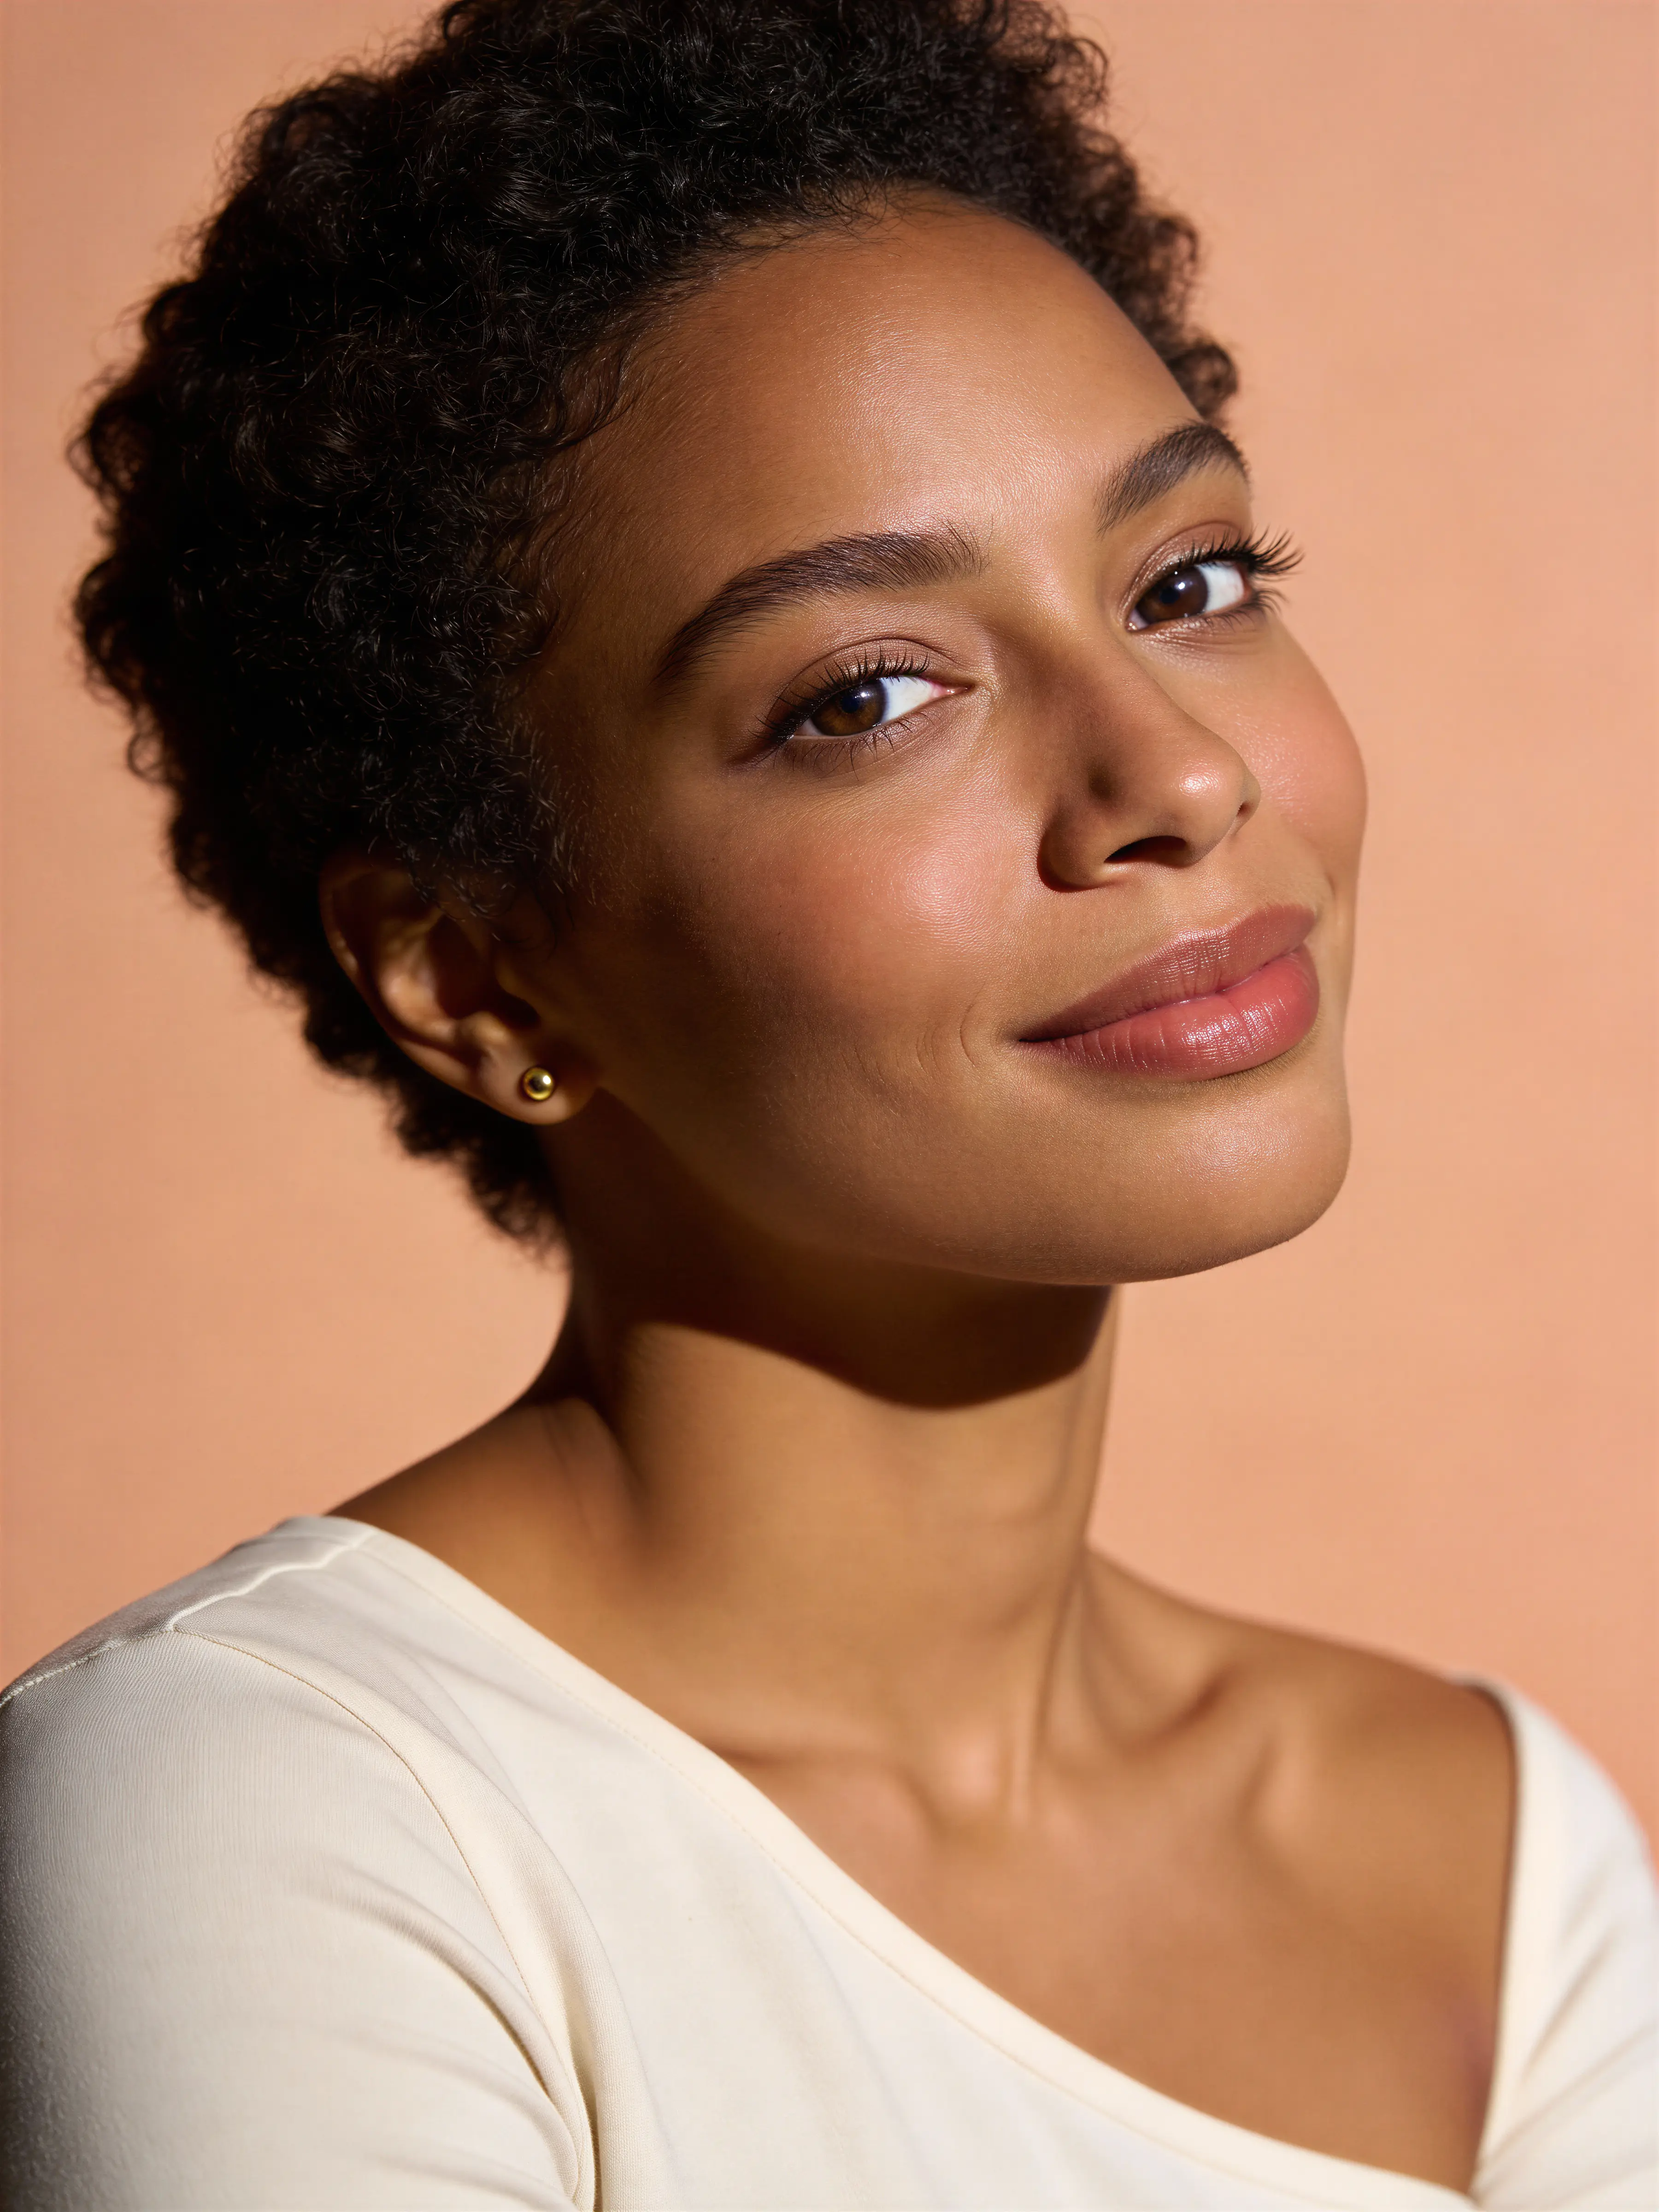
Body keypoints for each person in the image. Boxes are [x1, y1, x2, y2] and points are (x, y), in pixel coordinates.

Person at [1, 0, 1653, 2204]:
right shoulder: (289, 1816)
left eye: (1189, 583)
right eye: (868, 695)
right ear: (479, 971)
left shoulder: (1498, 1853)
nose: (1175, 771)